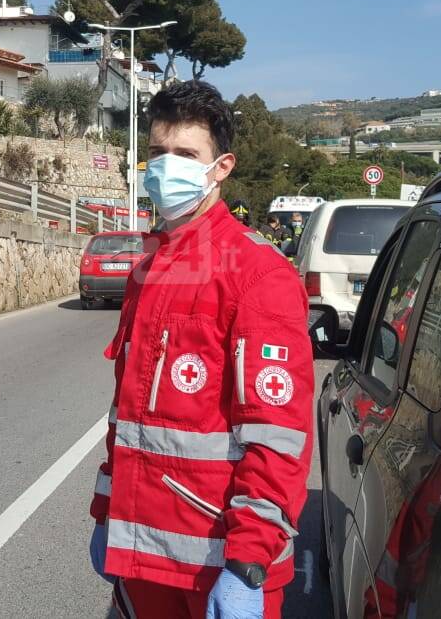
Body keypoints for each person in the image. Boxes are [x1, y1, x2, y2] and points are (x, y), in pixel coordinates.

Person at [89, 81, 314, 619]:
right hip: (141, 553)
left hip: (218, 563)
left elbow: (277, 437)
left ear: (222, 167)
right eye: (159, 153)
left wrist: (248, 564)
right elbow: (130, 416)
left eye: (186, 155)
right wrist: (105, 513)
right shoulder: (148, 268)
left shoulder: (258, 274)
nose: (168, 168)